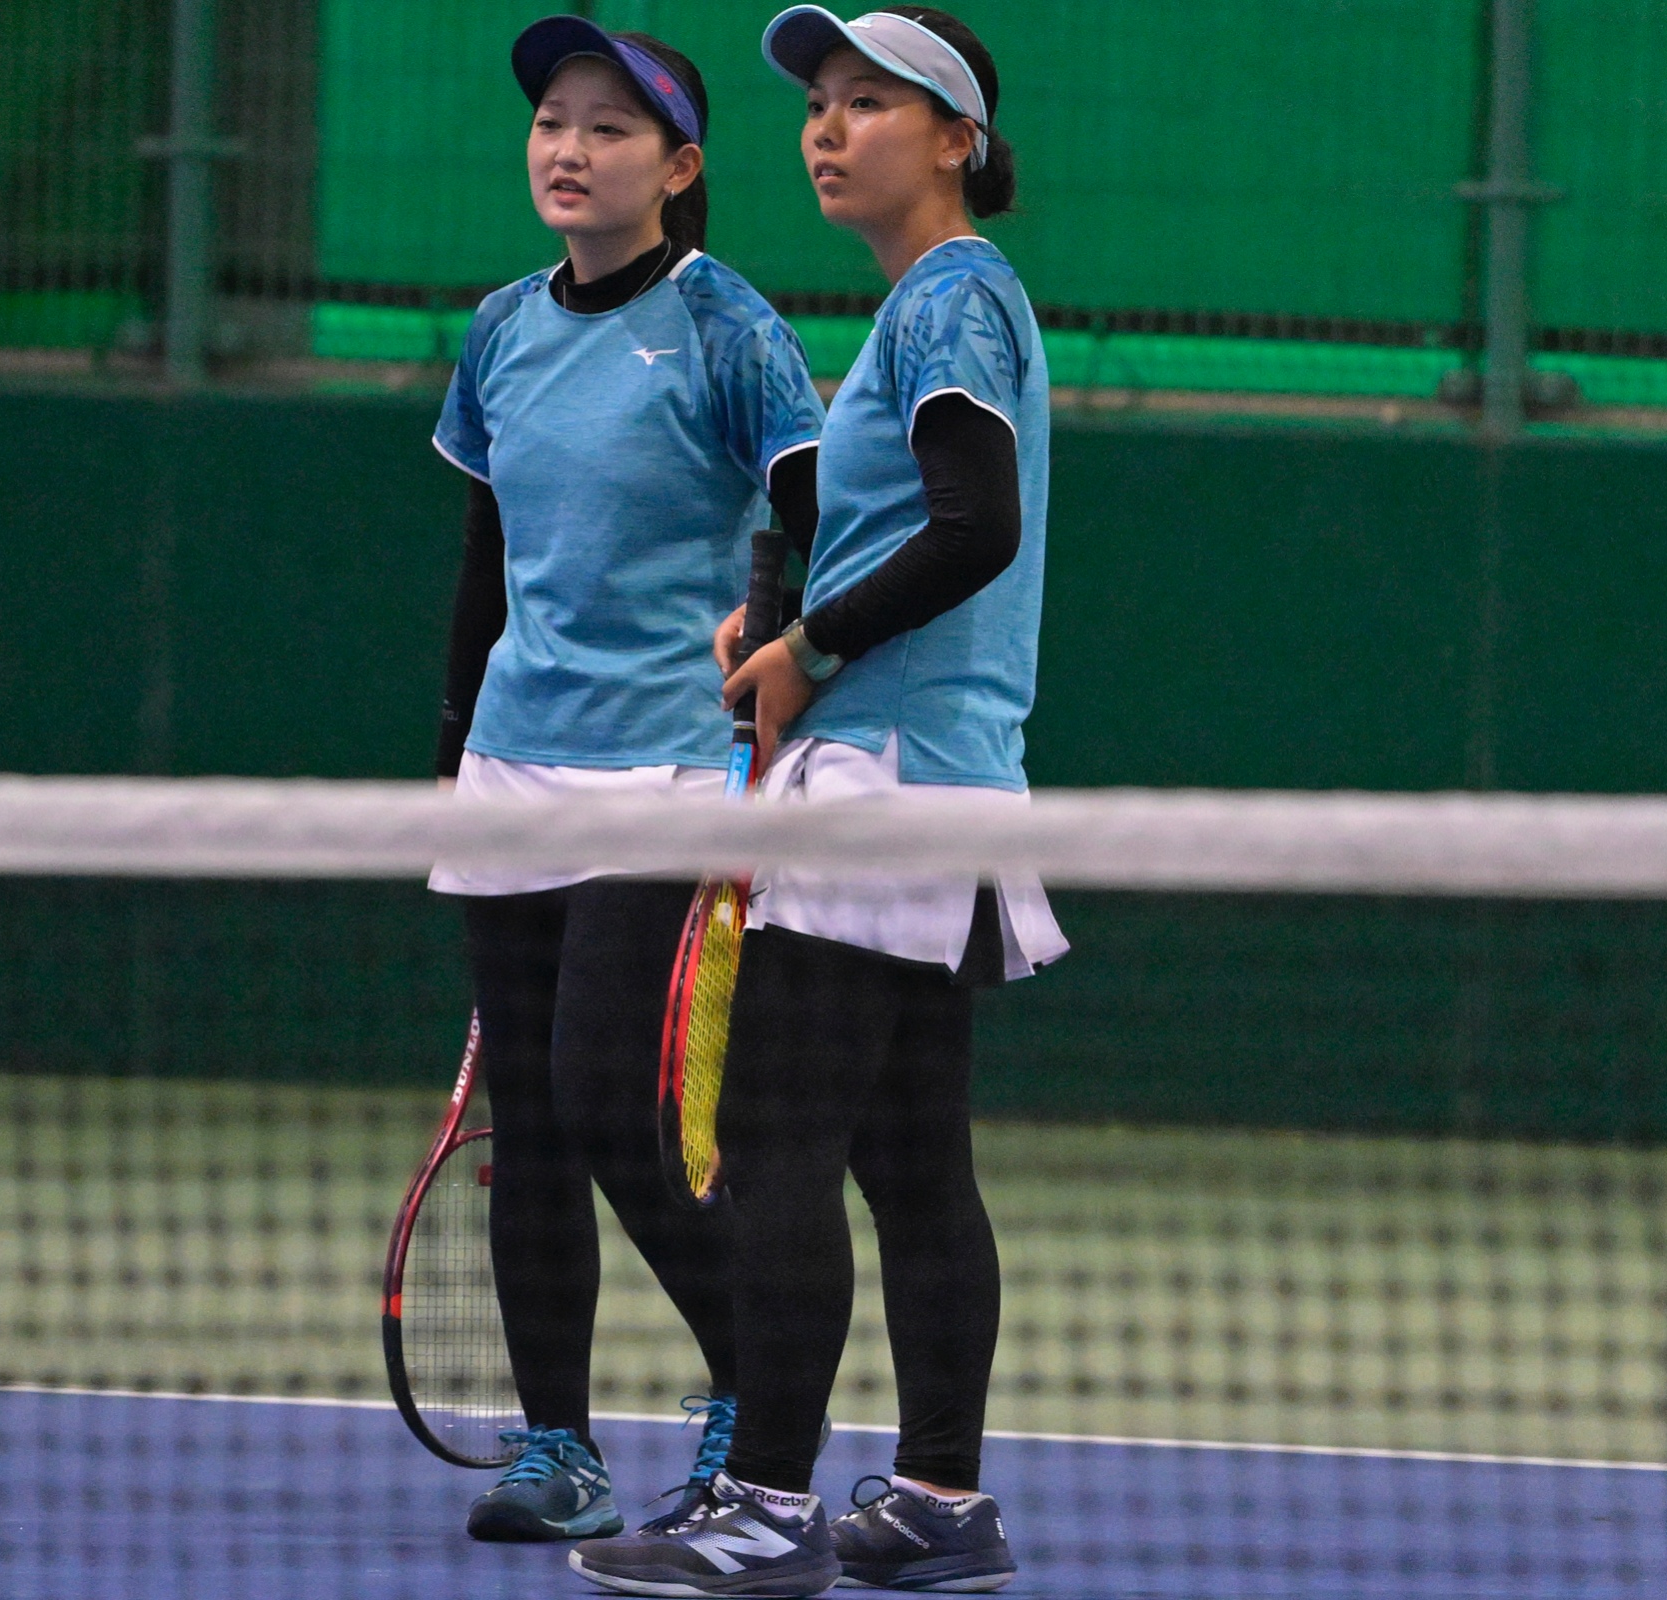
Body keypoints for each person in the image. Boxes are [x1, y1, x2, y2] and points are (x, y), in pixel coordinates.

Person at [569, 8, 1061, 1595]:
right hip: (933, 776)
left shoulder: (952, 296)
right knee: (912, 1165)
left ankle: (765, 1509)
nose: (826, 129)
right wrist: (775, 625)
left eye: (869, 103)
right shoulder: (931, 306)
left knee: (774, 1142)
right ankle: (938, 1501)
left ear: (957, 140)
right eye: (817, 105)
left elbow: (974, 527)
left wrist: (811, 647)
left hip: (883, 782)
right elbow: (908, 531)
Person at [428, 14, 826, 1546]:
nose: (569, 149)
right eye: (552, 123)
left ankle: (752, 1387)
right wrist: (452, 746)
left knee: (606, 1099)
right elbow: (487, 552)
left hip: (667, 759)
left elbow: (819, 514)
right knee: (531, 1123)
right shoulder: (499, 329)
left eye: (607, 128)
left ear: (676, 166)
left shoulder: (728, 326)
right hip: (510, 761)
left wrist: (779, 673)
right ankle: (558, 1448)